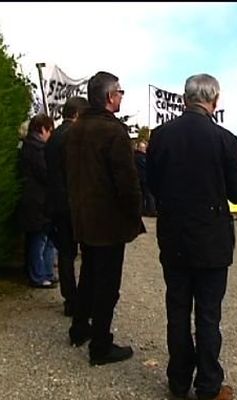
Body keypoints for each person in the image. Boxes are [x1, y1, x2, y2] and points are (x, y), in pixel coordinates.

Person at [147, 73, 237, 400]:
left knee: (177, 309)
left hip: (174, 236)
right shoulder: (225, 139)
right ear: (214, 100)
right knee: (207, 314)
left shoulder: (160, 136)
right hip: (212, 239)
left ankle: (177, 381)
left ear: (185, 99)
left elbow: (153, 186)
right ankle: (208, 386)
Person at [65, 71, 144, 365]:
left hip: (84, 217)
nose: (122, 96)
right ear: (111, 97)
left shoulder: (75, 128)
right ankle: (100, 345)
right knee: (107, 284)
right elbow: (127, 181)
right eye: (120, 92)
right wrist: (133, 213)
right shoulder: (113, 132)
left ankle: (79, 328)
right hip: (108, 221)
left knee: (88, 275)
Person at [45, 96, 89, 314]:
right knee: (87, 252)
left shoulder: (53, 137)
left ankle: (69, 297)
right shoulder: (74, 136)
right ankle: (79, 299)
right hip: (74, 202)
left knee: (65, 253)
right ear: (79, 115)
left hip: (56, 202)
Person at [18, 113, 57, 288]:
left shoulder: (28, 147)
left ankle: (45, 272)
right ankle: (39, 275)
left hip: (37, 200)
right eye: (50, 130)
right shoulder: (38, 149)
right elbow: (46, 174)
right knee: (39, 239)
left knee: (44, 238)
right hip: (38, 201)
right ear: (43, 129)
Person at [134, 141, 157, 217]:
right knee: (149, 195)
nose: (145, 149)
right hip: (145, 178)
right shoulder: (141, 157)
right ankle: (151, 210)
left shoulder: (135, 156)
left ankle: (143, 210)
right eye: (143, 148)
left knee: (143, 196)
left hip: (139, 178)